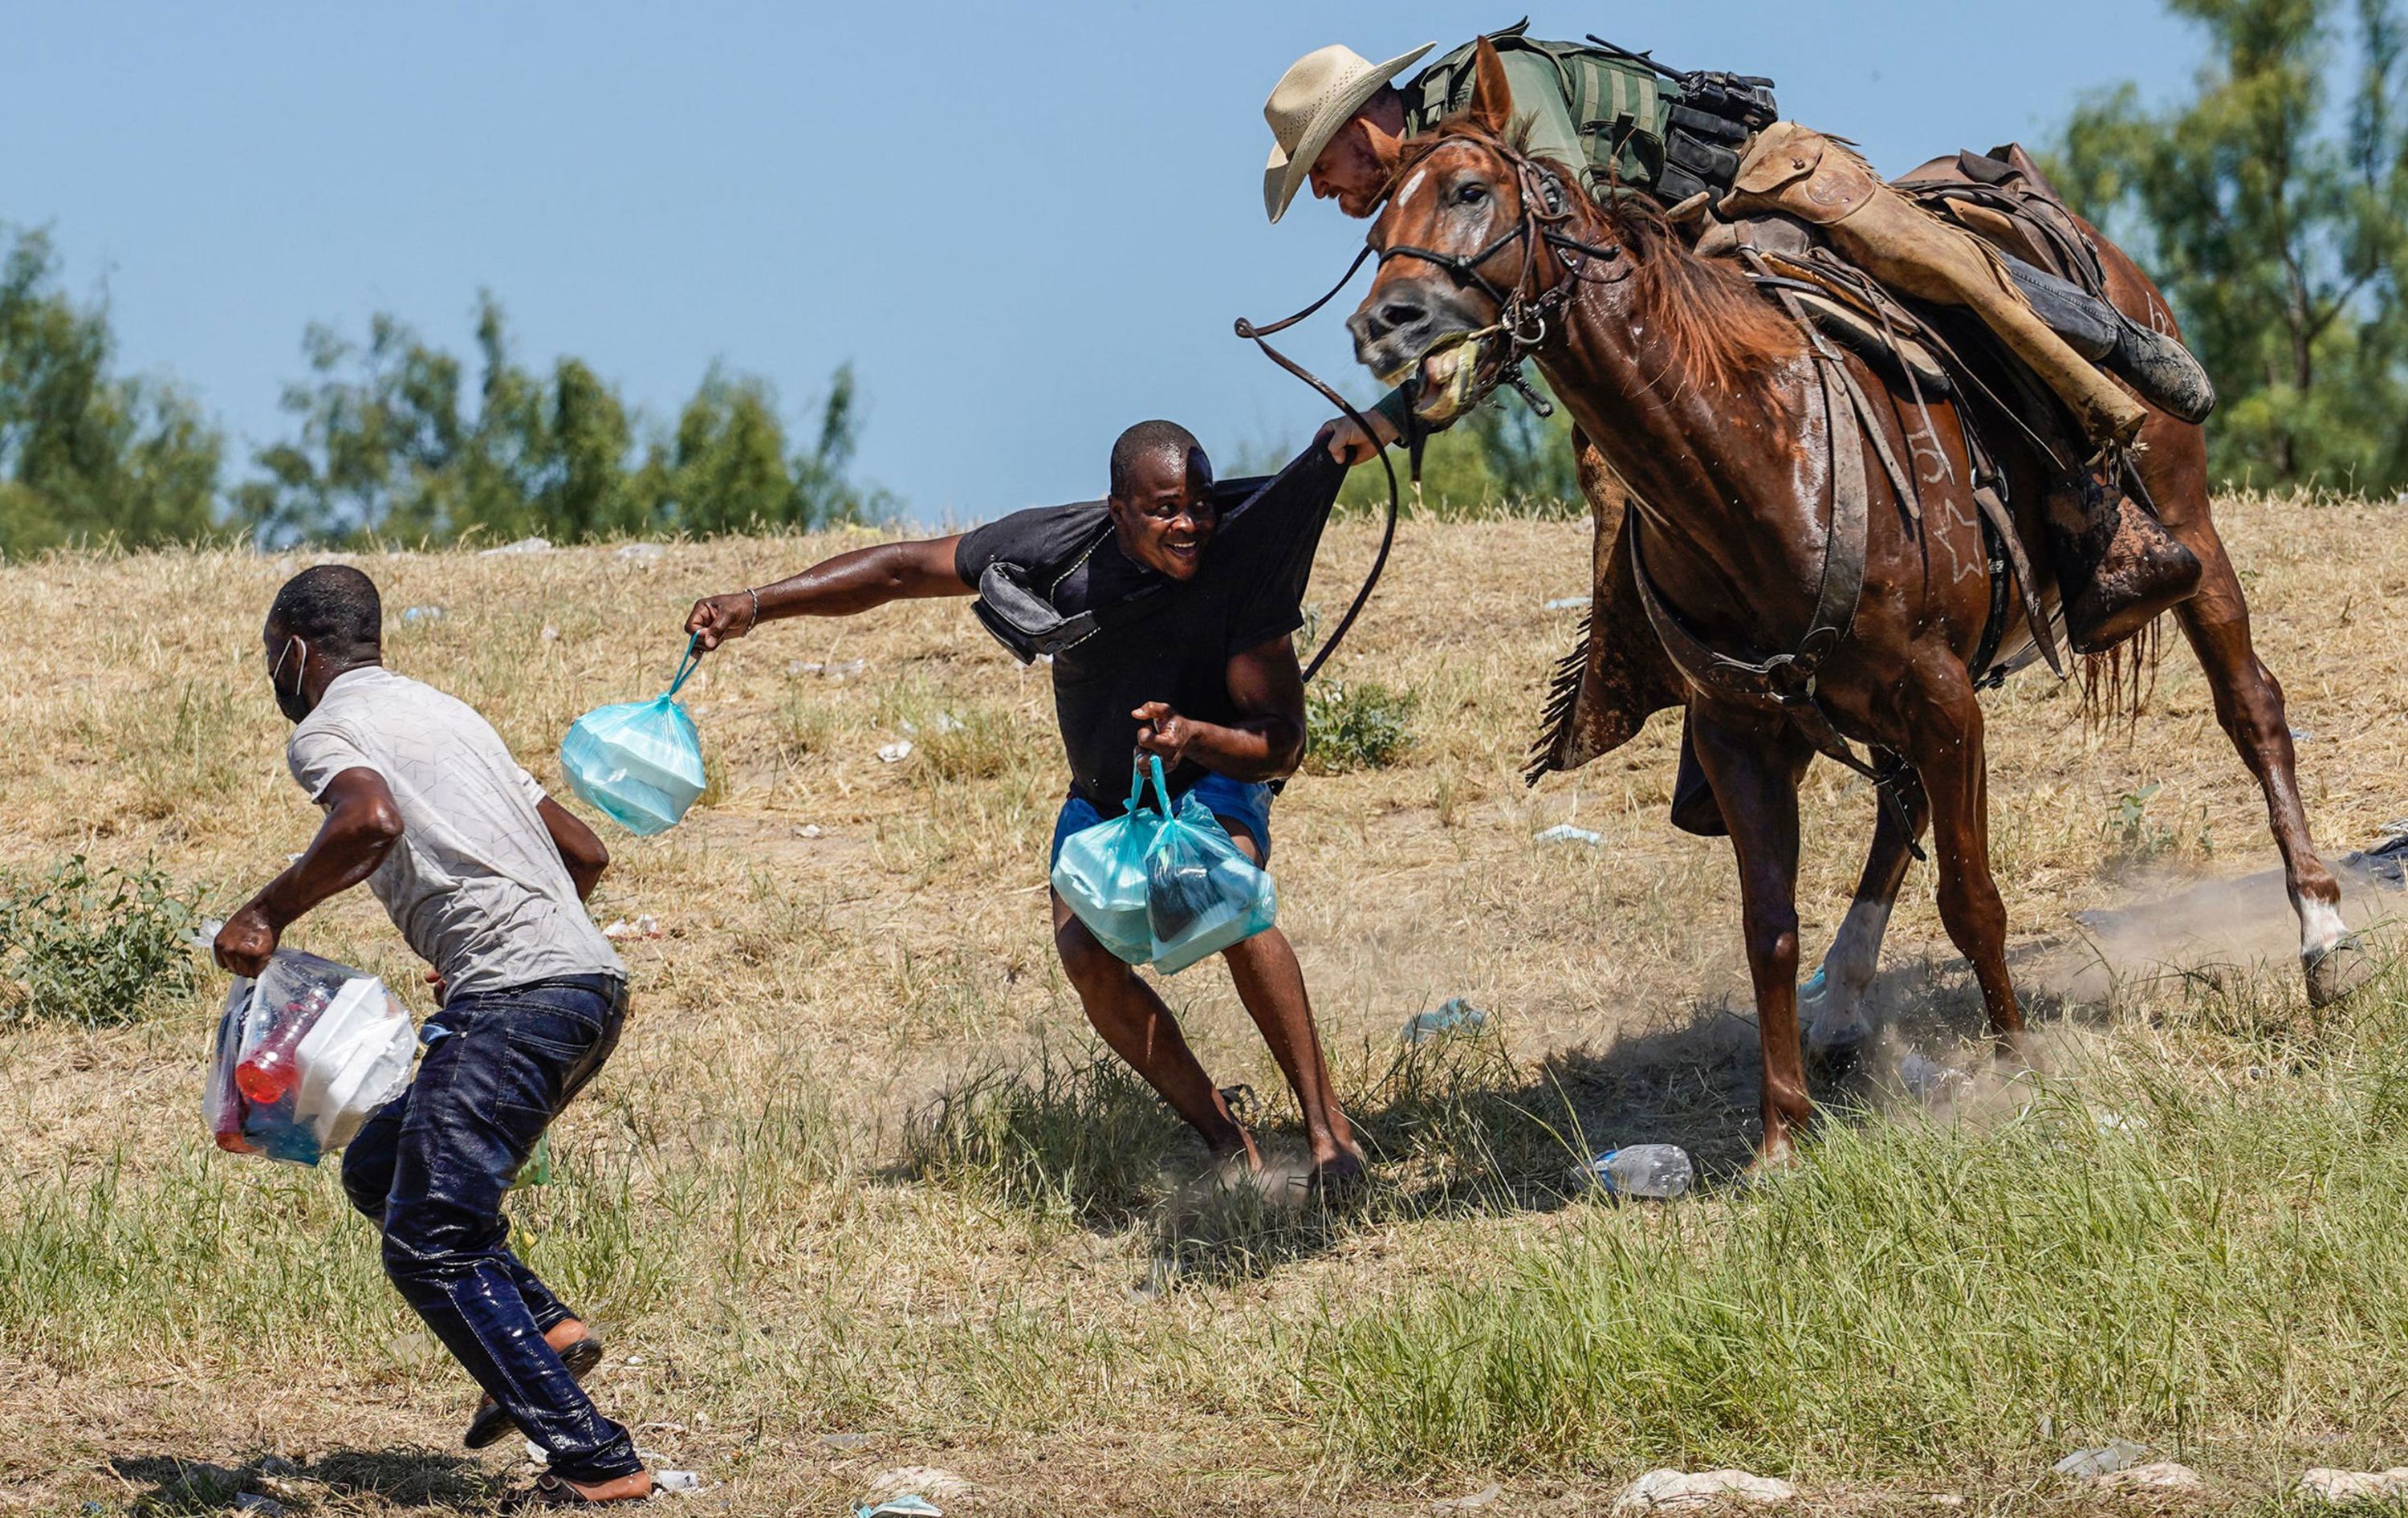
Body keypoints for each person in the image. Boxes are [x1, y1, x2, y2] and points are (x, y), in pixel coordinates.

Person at [1268, 27, 2212, 809]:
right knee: (1634, 465)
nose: (1321, 189)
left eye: (1322, 162)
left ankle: (2100, 462)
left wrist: (1403, 406)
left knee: (1937, 281)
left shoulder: (1497, 86)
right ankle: (1720, 687)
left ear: (1366, 121)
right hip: (1668, 272)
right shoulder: (1431, 187)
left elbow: (1565, 241)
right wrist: (1394, 412)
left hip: (1749, 195)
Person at [685, 421, 1367, 1190]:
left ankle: (1327, 1132)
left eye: (1201, 505)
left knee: (1223, 895)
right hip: (1105, 797)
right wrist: (756, 604)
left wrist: (1194, 735)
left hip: (1210, 774)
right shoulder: (1056, 549)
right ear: (1118, 510)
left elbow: (1282, 744)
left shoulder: (1242, 565)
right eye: (1166, 508)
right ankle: (1223, 1139)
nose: (1190, 525)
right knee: (1086, 956)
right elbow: (904, 570)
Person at [214, 564, 651, 1508]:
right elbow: (584, 852)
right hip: (588, 988)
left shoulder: (329, 728)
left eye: (269, 656)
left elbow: (368, 819)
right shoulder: (449, 713)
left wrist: (266, 912)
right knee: (380, 1167)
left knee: (431, 1240)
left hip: (518, 998)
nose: (272, 676)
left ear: (295, 648)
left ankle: (597, 1461)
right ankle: (545, 1329)